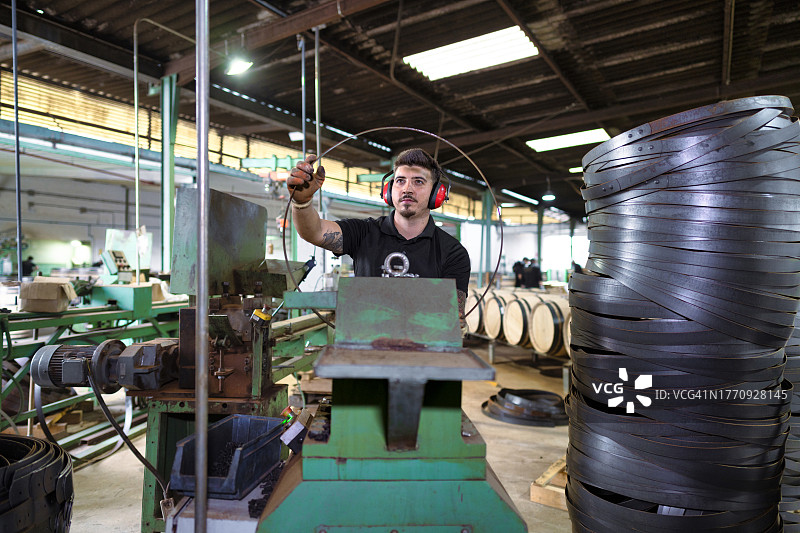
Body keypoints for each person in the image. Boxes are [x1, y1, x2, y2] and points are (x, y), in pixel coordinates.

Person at [287, 148, 471, 319]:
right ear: (389, 190)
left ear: (437, 193)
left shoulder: (453, 252)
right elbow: (315, 232)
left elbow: (453, 314)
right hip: (364, 347)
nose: (407, 189)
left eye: (418, 181)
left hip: (424, 351)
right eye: (400, 181)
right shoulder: (364, 232)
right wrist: (302, 203)